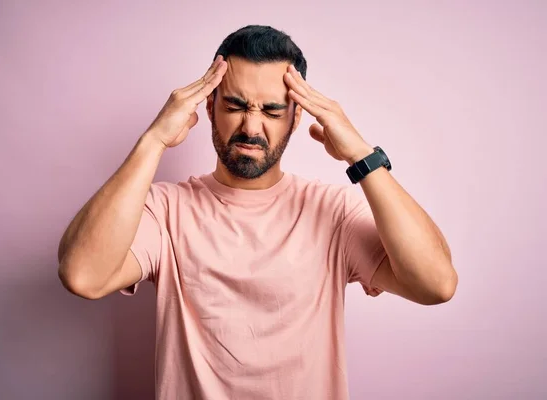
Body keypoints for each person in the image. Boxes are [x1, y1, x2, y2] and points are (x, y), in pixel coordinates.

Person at [57, 25, 458, 400]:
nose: (251, 127)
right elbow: (83, 276)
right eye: (234, 105)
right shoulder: (165, 210)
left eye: (271, 110)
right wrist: (153, 140)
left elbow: (436, 284)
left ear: (296, 117)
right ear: (209, 105)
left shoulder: (332, 212)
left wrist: (362, 155)